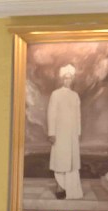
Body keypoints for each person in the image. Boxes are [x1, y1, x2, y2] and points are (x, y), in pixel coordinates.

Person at [47, 64, 83, 200]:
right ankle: (60, 186)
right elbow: (51, 114)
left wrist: (78, 132)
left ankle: (72, 188)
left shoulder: (75, 95)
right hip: (60, 132)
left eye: (70, 78)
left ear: (73, 79)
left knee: (71, 161)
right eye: (66, 78)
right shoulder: (55, 94)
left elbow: (78, 115)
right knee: (60, 159)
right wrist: (51, 133)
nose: (68, 81)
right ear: (62, 79)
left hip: (72, 133)